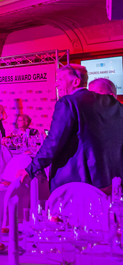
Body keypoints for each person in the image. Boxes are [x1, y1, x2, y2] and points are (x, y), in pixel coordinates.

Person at [21, 64, 123, 192]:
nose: (56, 84)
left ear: (75, 81)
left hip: (77, 184)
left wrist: (31, 169)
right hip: (111, 181)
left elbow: (53, 142)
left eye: (60, 80)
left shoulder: (68, 103)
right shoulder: (111, 102)